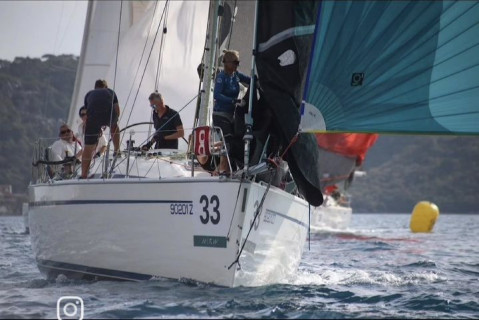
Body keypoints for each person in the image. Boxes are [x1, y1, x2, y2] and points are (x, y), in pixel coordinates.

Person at [213, 50, 250, 175]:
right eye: (235, 62)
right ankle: (218, 171)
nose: (236, 65)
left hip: (231, 116)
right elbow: (217, 95)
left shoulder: (236, 75)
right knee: (228, 143)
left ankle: (229, 170)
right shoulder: (221, 77)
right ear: (226, 63)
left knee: (235, 142)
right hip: (220, 115)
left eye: (238, 63)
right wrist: (233, 100)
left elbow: (251, 80)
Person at [81, 79, 121, 179]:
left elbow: (86, 114)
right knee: (114, 126)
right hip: (108, 114)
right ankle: (117, 150)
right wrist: (114, 121)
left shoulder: (89, 94)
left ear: (95, 87)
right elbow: (117, 109)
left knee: (88, 147)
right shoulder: (110, 92)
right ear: (106, 87)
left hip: (93, 118)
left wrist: (94, 127)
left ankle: (84, 174)